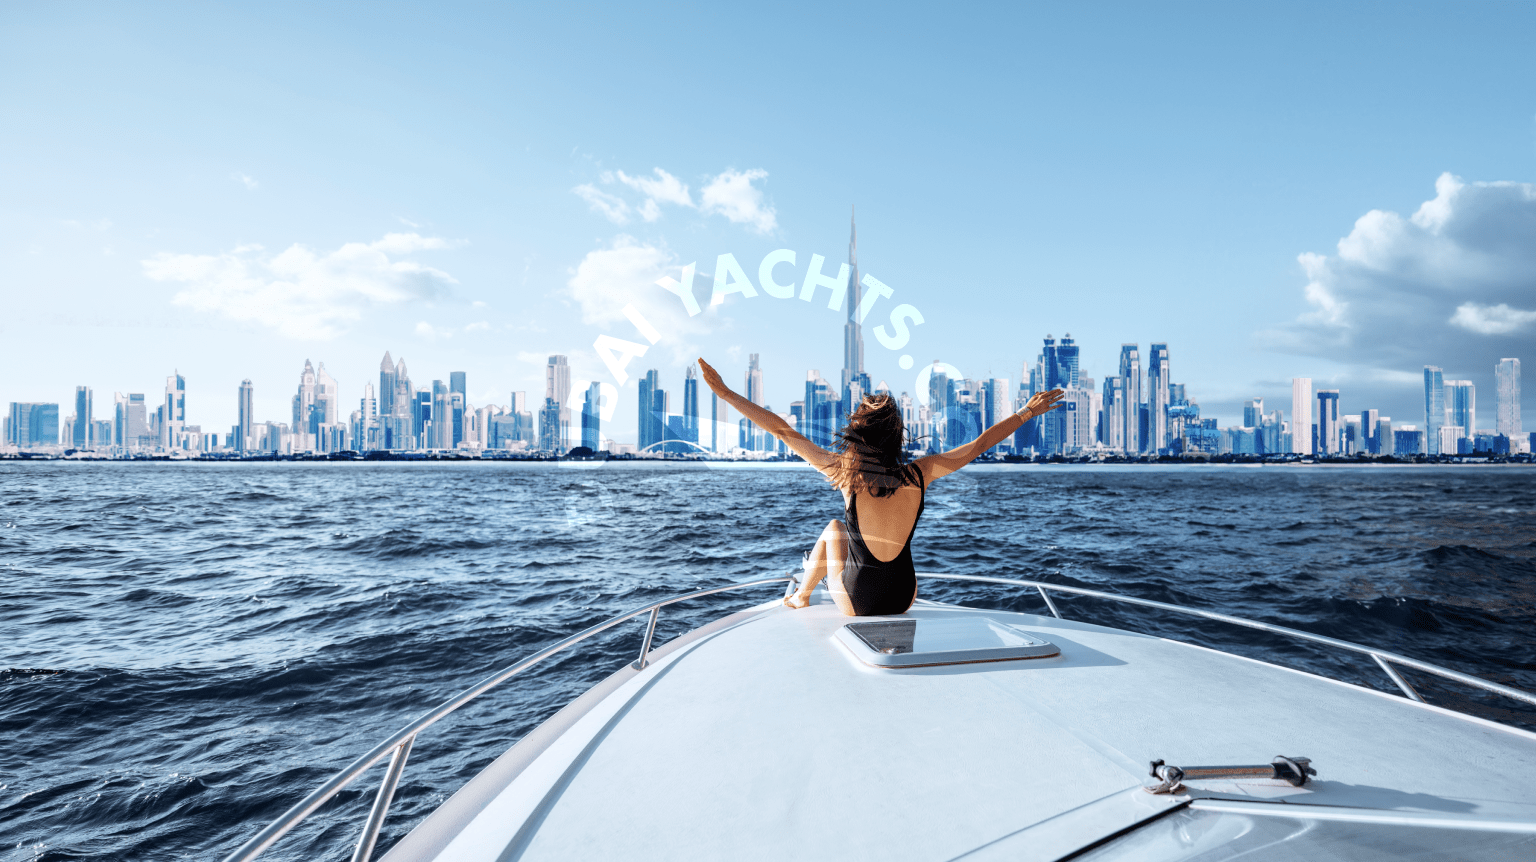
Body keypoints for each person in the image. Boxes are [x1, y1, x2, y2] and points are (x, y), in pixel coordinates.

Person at [697, 358, 1064, 616]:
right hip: (904, 596)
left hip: (860, 603)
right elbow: (980, 445)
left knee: (834, 530)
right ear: (895, 434)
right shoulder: (922, 472)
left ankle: (801, 597)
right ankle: (807, 596)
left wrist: (727, 394)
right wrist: (1026, 412)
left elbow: (781, 430)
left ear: (858, 431)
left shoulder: (844, 472)